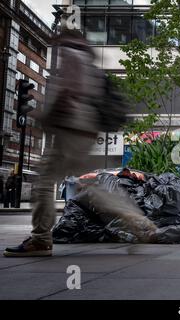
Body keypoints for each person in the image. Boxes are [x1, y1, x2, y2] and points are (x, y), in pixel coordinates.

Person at [3, 27, 106, 257]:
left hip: (70, 125)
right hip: (84, 128)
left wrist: (44, 116)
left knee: (44, 181)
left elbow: (69, 90)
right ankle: (139, 223)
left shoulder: (70, 54)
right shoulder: (89, 61)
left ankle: (40, 239)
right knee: (88, 186)